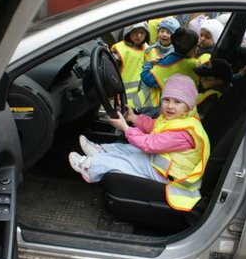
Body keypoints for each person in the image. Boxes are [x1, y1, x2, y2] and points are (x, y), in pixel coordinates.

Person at [69, 74, 210, 211]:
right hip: (162, 163)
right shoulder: (178, 118)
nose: (170, 106)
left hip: (167, 175)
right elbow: (154, 126)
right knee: (131, 149)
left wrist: (125, 128)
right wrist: (134, 119)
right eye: (167, 100)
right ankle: (102, 152)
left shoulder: (183, 133)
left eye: (177, 102)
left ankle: (91, 167)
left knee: (129, 162)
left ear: (189, 105)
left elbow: (149, 143)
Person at [140, 26, 200, 108]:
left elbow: (146, 78)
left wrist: (148, 64)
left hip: (167, 107)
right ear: (191, 49)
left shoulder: (167, 63)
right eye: (196, 46)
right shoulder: (196, 64)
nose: (197, 49)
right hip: (189, 106)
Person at [111, 22, 150, 108]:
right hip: (122, 95)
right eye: (135, 31)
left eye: (142, 33)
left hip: (141, 95)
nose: (139, 35)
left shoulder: (147, 48)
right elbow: (111, 72)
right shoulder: (119, 49)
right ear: (129, 32)